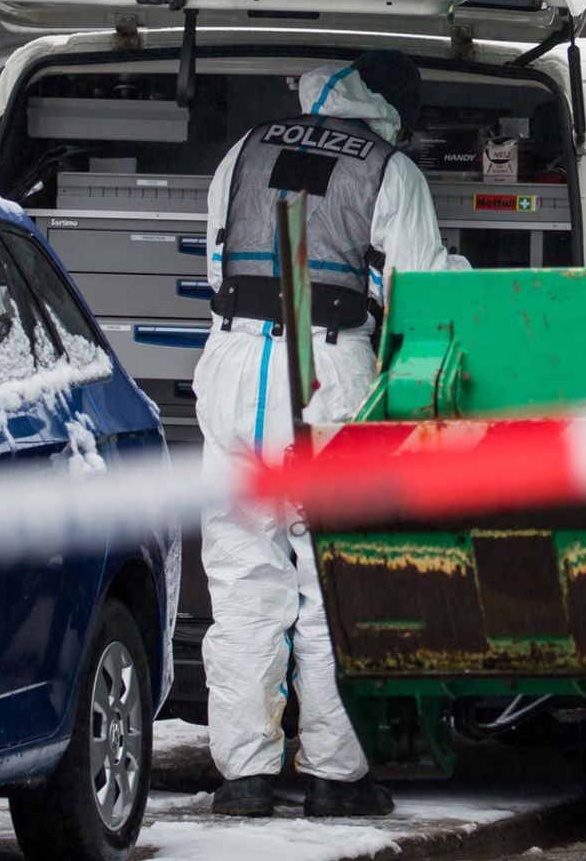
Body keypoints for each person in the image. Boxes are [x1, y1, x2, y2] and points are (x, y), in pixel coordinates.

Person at [195, 50, 454, 819]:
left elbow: (215, 260)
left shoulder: (244, 150)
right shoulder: (390, 171)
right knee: (329, 581)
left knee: (243, 577)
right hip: (328, 375)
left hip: (236, 365)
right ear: (390, 109)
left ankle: (243, 775)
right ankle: (335, 776)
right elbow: (419, 287)